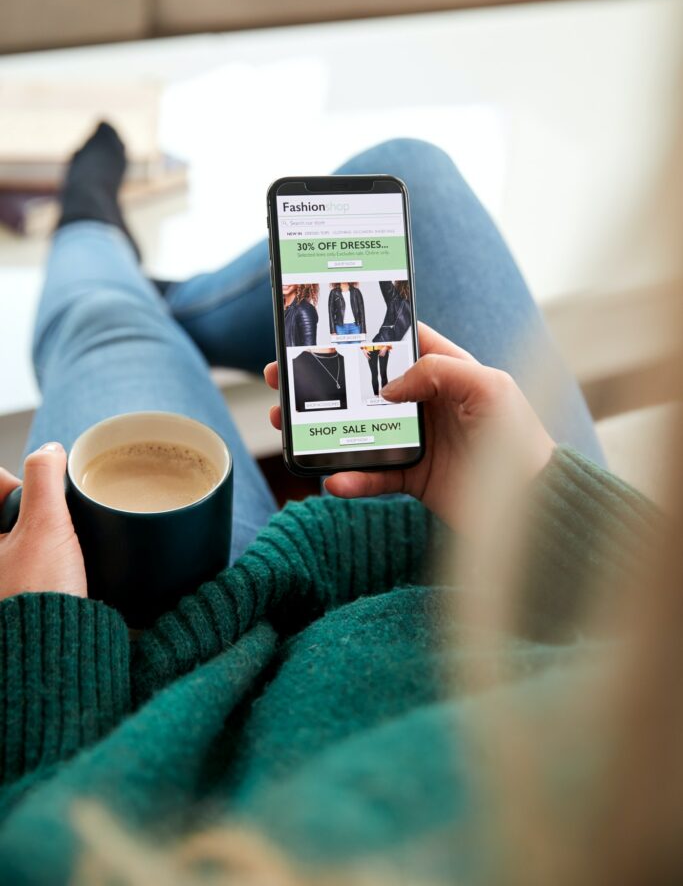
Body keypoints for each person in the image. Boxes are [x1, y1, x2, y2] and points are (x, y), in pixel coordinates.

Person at [0, 126, 658, 885]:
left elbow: (46, 855)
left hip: (212, 683)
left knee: (101, 323)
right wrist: (541, 498)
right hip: (536, 581)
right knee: (414, 175)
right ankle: (174, 308)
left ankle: (96, 230)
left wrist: (38, 645)